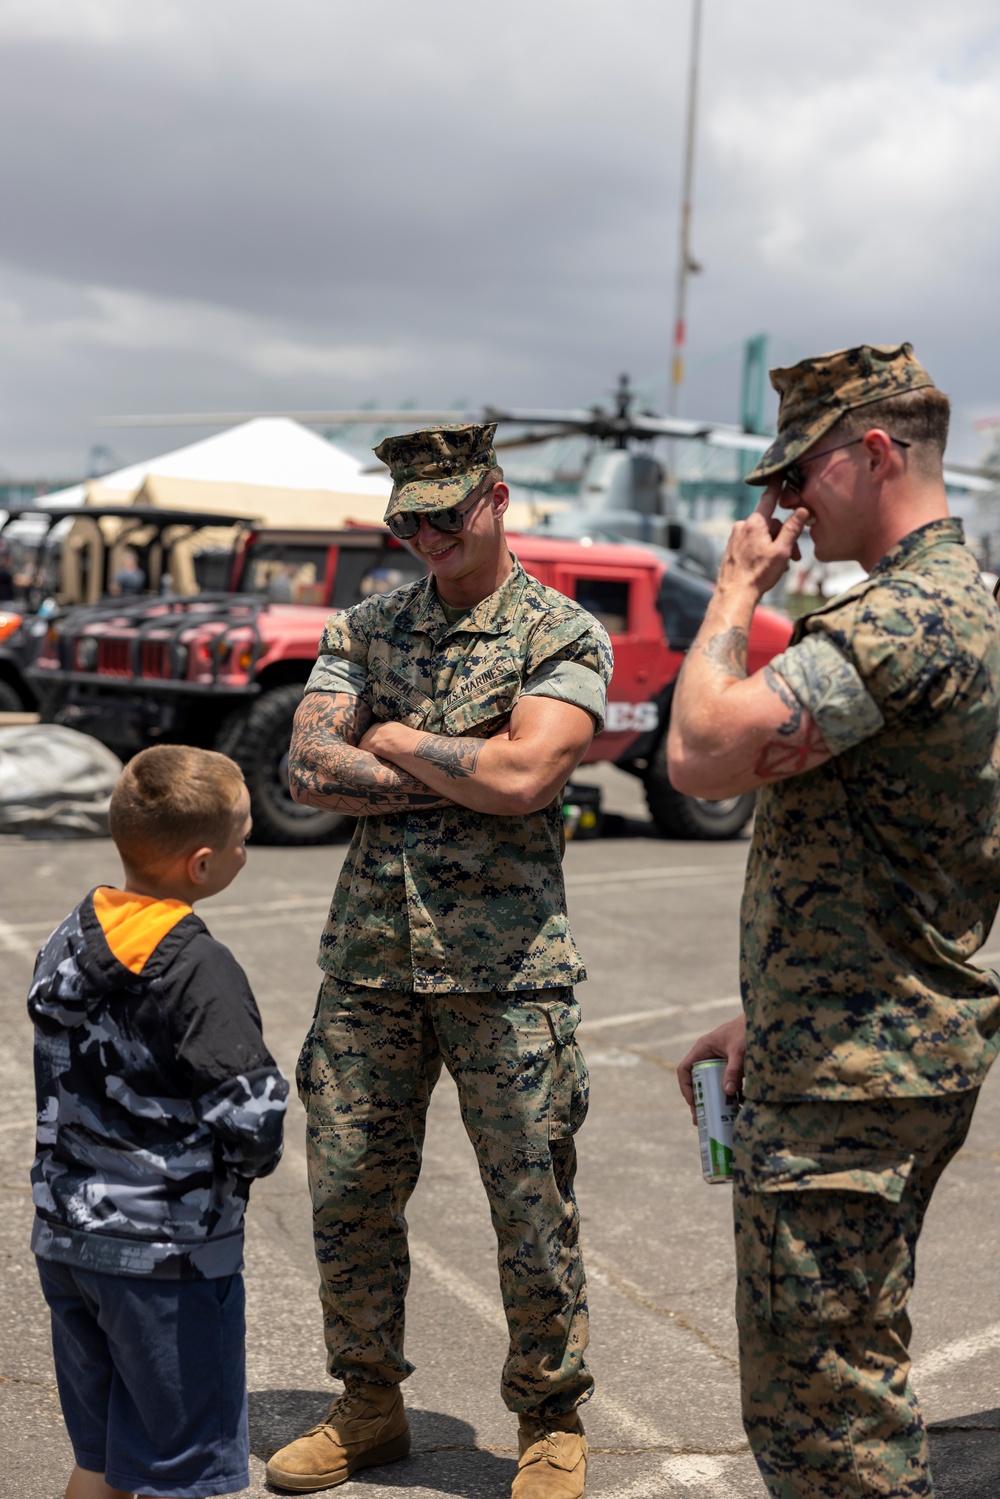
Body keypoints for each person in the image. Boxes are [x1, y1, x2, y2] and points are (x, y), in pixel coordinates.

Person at [669, 342, 1000, 1499]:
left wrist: (733, 594)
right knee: (837, 1375)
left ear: (872, 452)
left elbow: (702, 754)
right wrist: (772, 1012)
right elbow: (895, 858)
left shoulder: (909, 620)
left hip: (857, 1082)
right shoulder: (952, 605)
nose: (783, 505)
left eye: (798, 474)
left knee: (830, 1421)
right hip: (857, 1043)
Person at [266, 423, 613, 1499]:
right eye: (405, 518)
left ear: (496, 498)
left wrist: (400, 740)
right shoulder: (366, 624)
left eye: (443, 514)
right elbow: (308, 771)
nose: (423, 535)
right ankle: (368, 1401)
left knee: (529, 1201)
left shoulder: (561, 633)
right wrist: (467, 763)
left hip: (508, 969)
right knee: (350, 1192)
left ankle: (549, 1417)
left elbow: (525, 781)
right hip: (371, 962)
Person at [28, 744, 288, 1499]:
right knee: (183, 1470)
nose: (248, 845)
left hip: (68, 1239)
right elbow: (251, 1118)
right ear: (201, 865)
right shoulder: (196, 968)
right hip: (165, 1258)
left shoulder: (70, 936)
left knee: (104, 1457)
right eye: (242, 835)